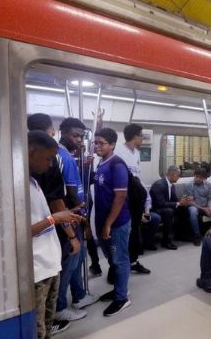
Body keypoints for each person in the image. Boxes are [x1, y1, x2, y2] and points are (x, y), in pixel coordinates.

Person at [27, 130, 82, 339]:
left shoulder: (35, 182)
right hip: (37, 271)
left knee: (47, 329)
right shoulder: (18, 187)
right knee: (35, 333)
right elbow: (21, 232)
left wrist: (65, 218)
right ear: (31, 152)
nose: (50, 164)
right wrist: (54, 218)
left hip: (50, 266)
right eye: (47, 158)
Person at [55, 117, 98, 322]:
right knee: (70, 262)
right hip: (71, 217)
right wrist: (83, 216)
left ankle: (79, 295)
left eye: (81, 136)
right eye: (75, 135)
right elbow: (73, 193)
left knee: (77, 259)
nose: (79, 140)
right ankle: (60, 306)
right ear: (61, 132)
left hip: (70, 216)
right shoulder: (63, 156)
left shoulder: (67, 156)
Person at [93, 128, 133, 316]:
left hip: (117, 223)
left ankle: (122, 297)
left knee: (120, 259)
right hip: (103, 220)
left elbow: (120, 196)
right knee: (111, 258)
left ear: (112, 145)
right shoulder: (101, 163)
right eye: (96, 142)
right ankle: (119, 288)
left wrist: (108, 223)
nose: (97, 146)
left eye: (101, 143)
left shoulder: (116, 165)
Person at [113, 123, 151, 275]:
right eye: (141, 135)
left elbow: (137, 177)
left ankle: (133, 261)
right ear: (135, 136)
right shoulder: (118, 151)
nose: (142, 138)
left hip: (136, 197)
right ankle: (116, 267)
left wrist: (146, 202)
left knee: (135, 232)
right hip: (125, 197)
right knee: (123, 233)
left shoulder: (136, 153)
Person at [149, 166, 191, 250]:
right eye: (178, 175)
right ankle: (166, 241)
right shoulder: (159, 185)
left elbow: (174, 200)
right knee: (169, 212)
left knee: (184, 209)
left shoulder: (171, 185)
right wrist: (178, 203)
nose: (179, 178)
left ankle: (179, 235)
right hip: (156, 209)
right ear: (173, 175)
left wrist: (182, 201)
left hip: (165, 207)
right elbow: (160, 203)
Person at [183, 168, 211, 246]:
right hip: (194, 206)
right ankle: (197, 235)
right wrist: (204, 209)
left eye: (200, 177)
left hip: (206, 206)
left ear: (204, 178)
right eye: (196, 176)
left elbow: (210, 199)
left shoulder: (209, 185)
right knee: (193, 212)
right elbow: (190, 202)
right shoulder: (188, 185)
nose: (197, 179)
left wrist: (209, 208)